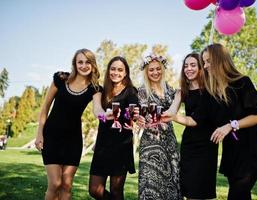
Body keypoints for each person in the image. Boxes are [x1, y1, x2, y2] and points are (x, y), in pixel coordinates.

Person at [165, 43, 257, 200]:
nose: (205, 66)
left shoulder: (242, 82)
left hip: (251, 147)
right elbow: (194, 119)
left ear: (220, 60)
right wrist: (172, 116)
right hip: (231, 149)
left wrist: (231, 125)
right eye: (203, 62)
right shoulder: (211, 92)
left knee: (238, 192)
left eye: (208, 61)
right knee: (240, 194)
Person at [35, 48, 102, 200]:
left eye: (88, 62)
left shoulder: (95, 88)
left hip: (73, 140)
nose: (84, 65)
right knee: (55, 183)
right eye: (80, 62)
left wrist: (104, 114)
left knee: (66, 184)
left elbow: (97, 108)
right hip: (52, 136)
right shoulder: (60, 79)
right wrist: (39, 133)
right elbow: (45, 107)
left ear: (93, 65)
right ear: (75, 64)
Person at [163, 53, 219, 200]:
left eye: (193, 65)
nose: (188, 69)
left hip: (206, 145)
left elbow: (194, 121)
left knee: (201, 191)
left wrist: (173, 117)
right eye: (186, 66)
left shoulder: (210, 90)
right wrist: (162, 115)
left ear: (201, 68)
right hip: (189, 145)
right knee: (189, 191)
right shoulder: (183, 91)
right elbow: (172, 110)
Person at [89, 56, 138, 200]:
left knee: (116, 191)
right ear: (109, 70)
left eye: (120, 70)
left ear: (125, 73)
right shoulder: (102, 91)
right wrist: (104, 117)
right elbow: (98, 112)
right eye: (113, 69)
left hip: (121, 146)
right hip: (102, 146)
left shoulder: (131, 91)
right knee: (94, 190)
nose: (116, 72)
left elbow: (134, 111)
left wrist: (134, 115)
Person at [137, 54, 182, 200]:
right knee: (150, 183)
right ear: (146, 72)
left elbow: (177, 108)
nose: (155, 72)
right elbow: (143, 112)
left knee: (172, 183)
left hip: (169, 142)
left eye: (158, 69)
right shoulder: (143, 91)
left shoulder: (170, 90)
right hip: (151, 142)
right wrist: (141, 119)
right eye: (151, 70)